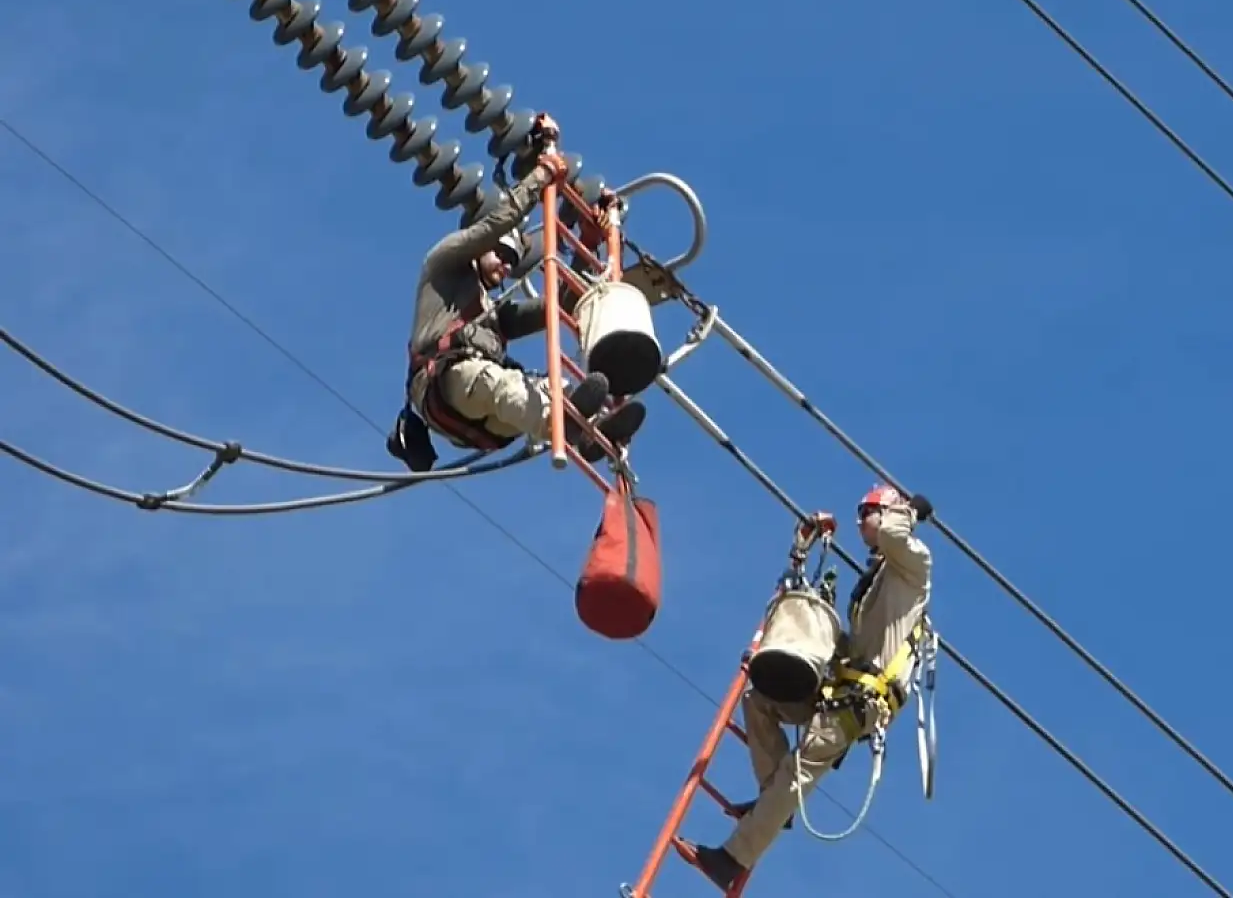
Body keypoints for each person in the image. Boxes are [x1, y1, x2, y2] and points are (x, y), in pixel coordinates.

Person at [680, 484, 934, 889]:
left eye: (867, 510)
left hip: (860, 703)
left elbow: (894, 534)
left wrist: (908, 509)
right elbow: (857, 647)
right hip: (842, 688)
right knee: (758, 700)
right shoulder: (880, 580)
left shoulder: (913, 565)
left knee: (798, 771)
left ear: (890, 512)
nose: (859, 521)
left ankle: (732, 859)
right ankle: (773, 805)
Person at [386, 114, 644, 472]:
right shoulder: (443, 264)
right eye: (502, 255)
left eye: (512, 260)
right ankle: (562, 419)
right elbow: (498, 223)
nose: (507, 267)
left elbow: (559, 305)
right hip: (448, 385)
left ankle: (593, 431)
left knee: (541, 388)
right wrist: (542, 176)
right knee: (501, 383)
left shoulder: (492, 316)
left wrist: (588, 239)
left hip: (486, 421)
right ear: (480, 249)